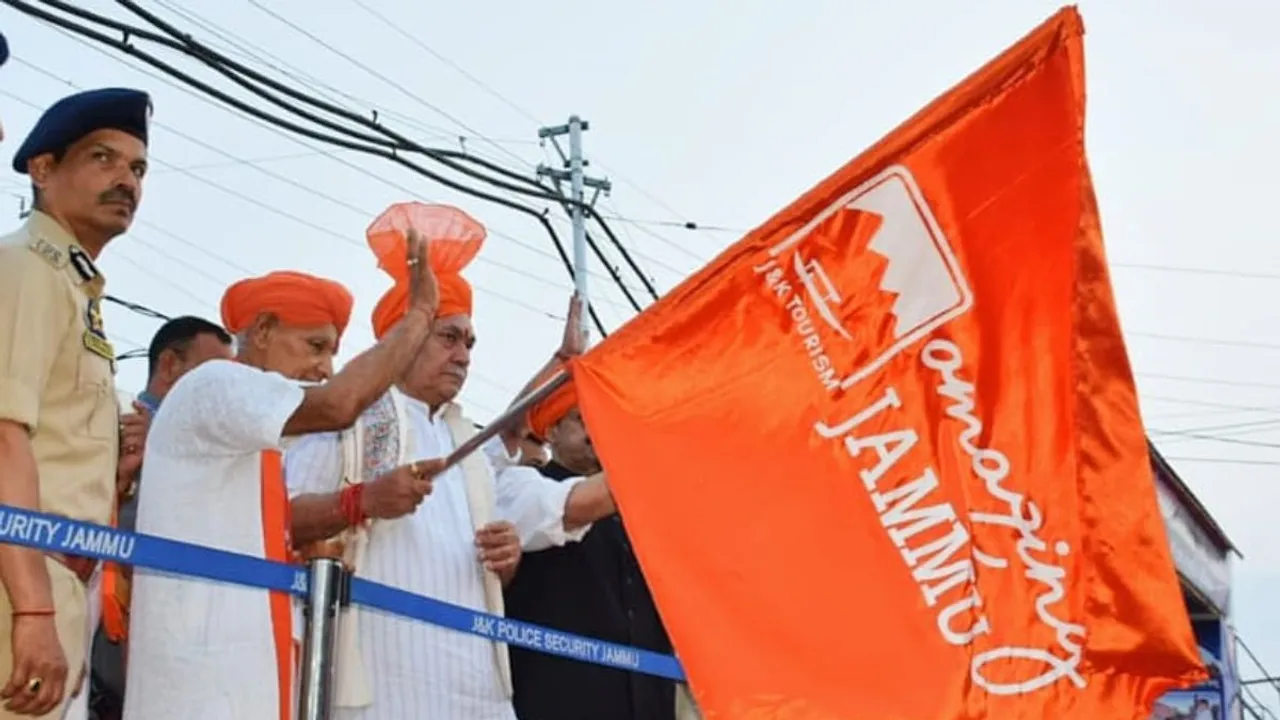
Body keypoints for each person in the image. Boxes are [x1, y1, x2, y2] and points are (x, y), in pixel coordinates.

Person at [122, 237, 440, 720]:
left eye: (332, 352)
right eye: (315, 346)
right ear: (264, 330)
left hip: (244, 663)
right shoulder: (217, 383)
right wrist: (418, 316)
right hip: (205, 677)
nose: (325, 367)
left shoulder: (248, 424)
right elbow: (338, 404)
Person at [284, 279, 616, 719]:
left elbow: (510, 437)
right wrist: (362, 501)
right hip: (386, 687)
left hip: (476, 689)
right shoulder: (349, 421)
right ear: (404, 336)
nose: (463, 357)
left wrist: (507, 559)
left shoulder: (464, 445)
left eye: (470, 344)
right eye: (449, 337)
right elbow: (279, 520)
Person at [0, 87, 150, 719]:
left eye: (138, 169)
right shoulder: (28, 268)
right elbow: (3, 436)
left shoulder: (74, 285)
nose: (126, 181)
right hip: (21, 586)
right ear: (44, 168)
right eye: (103, 159)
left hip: (64, 579)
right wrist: (33, 613)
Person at [505, 366, 697, 720]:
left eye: (602, 418)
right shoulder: (523, 485)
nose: (595, 430)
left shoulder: (642, 507)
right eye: (582, 419)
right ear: (552, 430)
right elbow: (574, 506)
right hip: (559, 699)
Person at [89, 317, 233, 720]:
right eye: (210, 377)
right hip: (102, 664)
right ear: (169, 366)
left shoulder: (208, 452)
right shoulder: (109, 425)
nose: (218, 393)